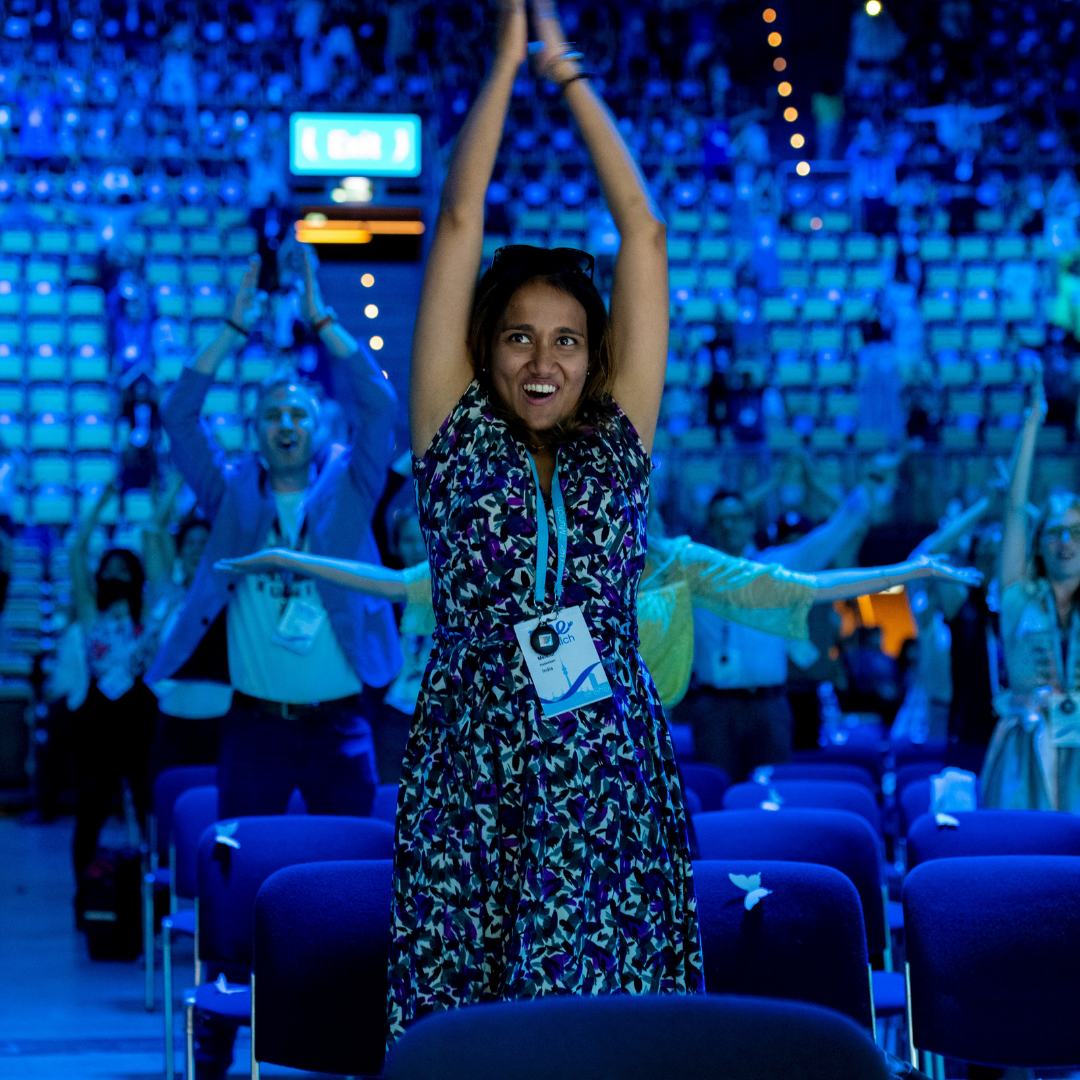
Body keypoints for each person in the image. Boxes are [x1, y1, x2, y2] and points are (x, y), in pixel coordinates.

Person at [144, 246, 400, 823]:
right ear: (255, 432)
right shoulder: (230, 496)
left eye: (299, 414)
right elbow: (179, 415)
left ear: (318, 428)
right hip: (254, 725)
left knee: (348, 869)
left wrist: (324, 321)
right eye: (272, 416)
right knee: (241, 870)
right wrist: (234, 329)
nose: (286, 424)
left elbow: (380, 407)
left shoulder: (352, 492)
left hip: (340, 723)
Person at [672, 478, 873, 781]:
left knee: (772, 795)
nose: (729, 527)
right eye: (720, 520)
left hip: (770, 706)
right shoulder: (690, 573)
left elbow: (844, 523)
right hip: (714, 708)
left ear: (751, 522)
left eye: (736, 518)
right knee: (718, 794)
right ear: (709, 527)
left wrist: (840, 479)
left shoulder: (777, 567)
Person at [46, 485, 158, 921]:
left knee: (147, 808)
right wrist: (99, 505)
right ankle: (85, 895)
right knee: (91, 808)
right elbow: (76, 554)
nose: (114, 575)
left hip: (138, 719)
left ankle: (148, 894)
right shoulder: (89, 615)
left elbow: (158, 545)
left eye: (122, 569)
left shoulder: (148, 620)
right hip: (96, 721)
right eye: (107, 568)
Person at [982, 373, 1080, 811]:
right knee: (1025, 863)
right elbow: (1016, 509)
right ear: (1039, 543)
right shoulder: (1018, 596)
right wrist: (1031, 423)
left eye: (1076, 532)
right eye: (1055, 532)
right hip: (1026, 748)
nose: (1065, 541)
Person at [142, 473, 228, 776]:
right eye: (190, 543)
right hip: (173, 726)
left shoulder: (230, 596)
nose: (196, 549)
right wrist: (178, 481)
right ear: (179, 551)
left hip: (223, 726)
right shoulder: (167, 594)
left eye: (204, 543)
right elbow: (152, 531)